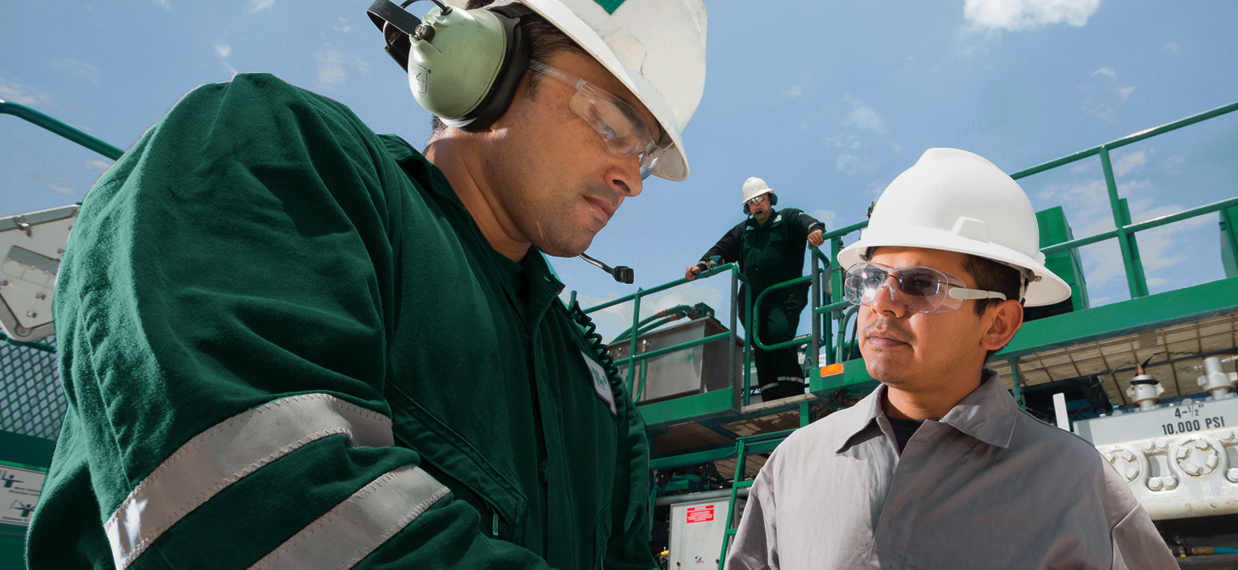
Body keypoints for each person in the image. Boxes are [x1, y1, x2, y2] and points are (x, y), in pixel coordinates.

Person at [27, 0, 707, 568]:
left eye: (644, 151)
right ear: (482, 65)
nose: (632, 177)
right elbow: (244, 500)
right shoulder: (281, 155)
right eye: (611, 123)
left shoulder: (597, 386)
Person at [724, 149, 1178, 570]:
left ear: (997, 323)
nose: (881, 304)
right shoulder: (793, 465)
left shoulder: (1078, 487)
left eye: (920, 284)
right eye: (870, 278)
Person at [684, 177, 824, 402]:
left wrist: (814, 231)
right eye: (751, 202)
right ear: (746, 207)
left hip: (784, 293)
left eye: (761, 198)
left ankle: (792, 396)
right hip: (751, 299)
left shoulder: (787, 218)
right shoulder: (743, 230)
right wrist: (700, 266)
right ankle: (770, 399)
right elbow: (721, 250)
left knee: (778, 335)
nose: (757, 204)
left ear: (770, 198)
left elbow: (808, 223)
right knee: (759, 345)